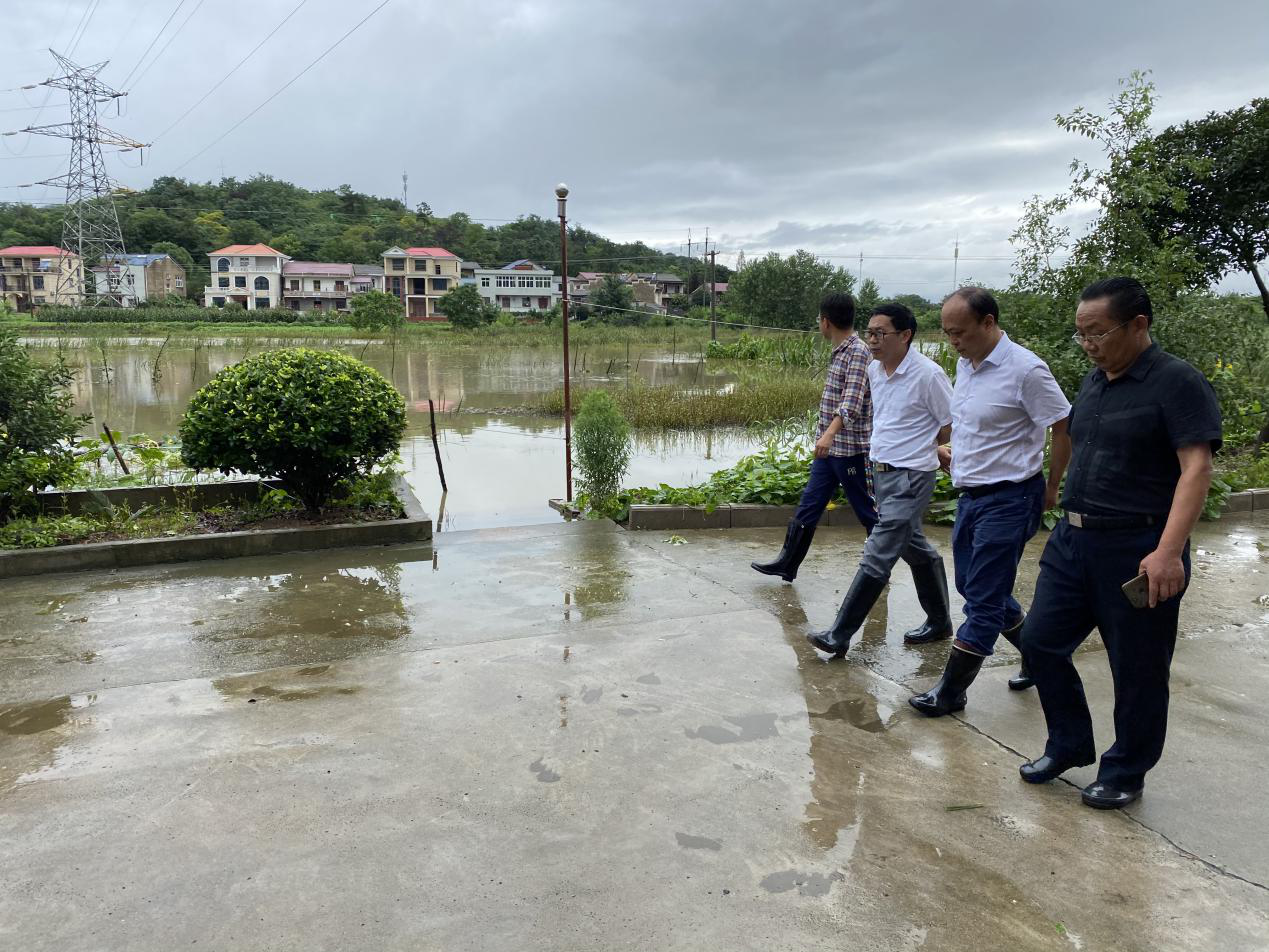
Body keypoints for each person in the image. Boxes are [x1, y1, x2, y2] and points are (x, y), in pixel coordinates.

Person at [1018, 277, 1221, 810]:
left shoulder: (1178, 382)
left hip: (1140, 547)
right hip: (1074, 540)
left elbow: (1196, 468)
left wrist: (1169, 551)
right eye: (1081, 334)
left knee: (1136, 668)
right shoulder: (1094, 381)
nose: (1088, 344)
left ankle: (1126, 770)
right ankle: (1068, 744)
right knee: (1038, 642)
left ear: (1138, 325)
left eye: (1097, 333)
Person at [909, 287, 1072, 717]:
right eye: (946, 334)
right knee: (976, 587)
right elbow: (976, 427)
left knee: (981, 602)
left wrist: (1052, 487)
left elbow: (1062, 424)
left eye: (959, 332)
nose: (953, 342)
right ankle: (1038, 656)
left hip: (1012, 497)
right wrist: (952, 453)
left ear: (988, 322)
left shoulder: (1026, 369)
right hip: (971, 497)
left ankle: (950, 691)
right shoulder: (967, 365)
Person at [807, 302, 954, 657]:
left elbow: (951, 422)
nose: (872, 340)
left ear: (905, 336)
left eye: (880, 333)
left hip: (912, 477)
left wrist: (937, 449)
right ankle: (940, 621)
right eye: (870, 332)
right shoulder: (876, 370)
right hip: (883, 473)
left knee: (878, 551)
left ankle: (839, 634)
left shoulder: (928, 375)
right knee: (912, 545)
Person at [751, 292, 877, 582]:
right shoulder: (841, 351)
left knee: (867, 509)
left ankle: (881, 563)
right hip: (830, 451)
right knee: (810, 504)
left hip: (850, 450)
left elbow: (851, 403)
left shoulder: (857, 351)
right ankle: (787, 563)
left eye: (819, 320)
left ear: (825, 322)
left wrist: (829, 435)